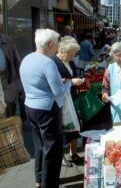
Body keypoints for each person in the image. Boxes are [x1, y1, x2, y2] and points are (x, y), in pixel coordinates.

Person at [19, 29, 84, 188]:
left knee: (40, 145)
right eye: (56, 45)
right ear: (49, 44)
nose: (57, 49)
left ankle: (39, 179)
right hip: (47, 109)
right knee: (53, 150)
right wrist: (70, 82)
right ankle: (49, 184)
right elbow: (59, 93)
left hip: (30, 107)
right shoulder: (47, 63)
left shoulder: (27, 58)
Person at [52, 37, 84, 167]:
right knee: (61, 129)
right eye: (70, 54)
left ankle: (73, 153)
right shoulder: (53, 62)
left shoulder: (69, 62)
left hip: (72, 97)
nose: (72, 57)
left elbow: (72, 76)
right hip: (61, 100)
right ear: (62, 51)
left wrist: (77, 81)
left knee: (75, 126)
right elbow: (55, 81)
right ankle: (61, 157)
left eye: (73, 55)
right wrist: (70, 81)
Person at [0, 33, 25, 119]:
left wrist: (22, 82)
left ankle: (10, 128)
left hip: (7, 78)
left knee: (9, 105)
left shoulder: (7, 41)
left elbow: (17, 61)